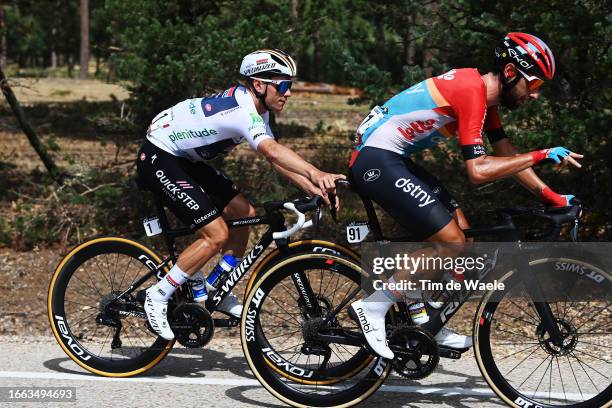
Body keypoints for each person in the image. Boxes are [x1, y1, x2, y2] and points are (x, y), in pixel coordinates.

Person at [347, 33, 583, 359]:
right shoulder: (471, 91)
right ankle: (373, 306)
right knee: (451, 242)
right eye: (534, 85)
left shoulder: (484, 97)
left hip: (391, 159)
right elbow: (479, 171)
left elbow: (505, 153)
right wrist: (542, 154)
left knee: (464, 239)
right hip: (375, 161)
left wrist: (553, 197)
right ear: (512, 72)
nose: (535, 95)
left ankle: (423, 316)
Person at [137, 49, 344, 340]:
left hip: (184, 159)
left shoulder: (258, 109)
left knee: (244, 213)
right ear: (259, 85)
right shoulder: (242, 111)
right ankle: (157, 296)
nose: (288, 93)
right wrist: (317, 173)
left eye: (290, 86)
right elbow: (272, 151)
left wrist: (315, 188)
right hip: (160, 154)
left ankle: (215, 288)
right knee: (216, 235)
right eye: (283, 85)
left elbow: (275, 159)